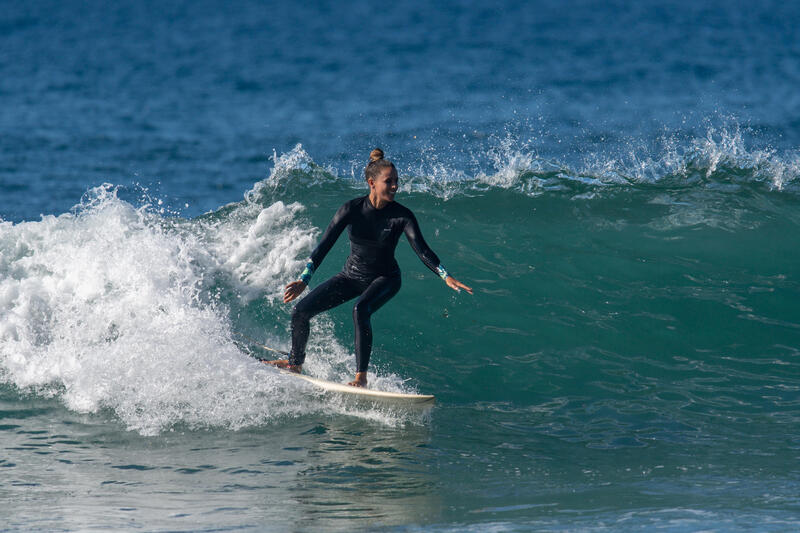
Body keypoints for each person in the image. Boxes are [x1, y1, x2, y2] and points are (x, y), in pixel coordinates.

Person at [265, 148, 472, 387]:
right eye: (389, 181)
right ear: (371, 183)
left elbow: (422, 249)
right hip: (351, 276)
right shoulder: (351, 209)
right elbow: (323, 246)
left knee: (360, 309)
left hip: (386, 278)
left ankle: (360, 378)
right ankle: (294, 362)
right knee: (300, 311)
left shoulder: (401, 216)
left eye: (396, 181)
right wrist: (304, 280)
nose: (395, 186)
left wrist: (444, 275)